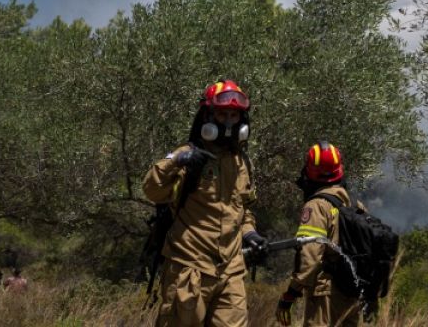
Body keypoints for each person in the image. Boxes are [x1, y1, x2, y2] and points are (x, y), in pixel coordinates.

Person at [144, 80, 264, 327]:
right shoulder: (188, 155)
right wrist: (178, 160)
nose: (229, 122)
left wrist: (250, 234)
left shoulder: (243, 163)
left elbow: (243, 210)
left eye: (234, 115)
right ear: (208, 116)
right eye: (222, 114)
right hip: (189, 269)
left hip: (231, 272)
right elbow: (152, 190)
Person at [277, 143, 359, 327]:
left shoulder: (317, 206)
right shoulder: (353, 203)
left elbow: (310, 257)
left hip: (325, 293)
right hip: (353, 291)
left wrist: (290, 294)